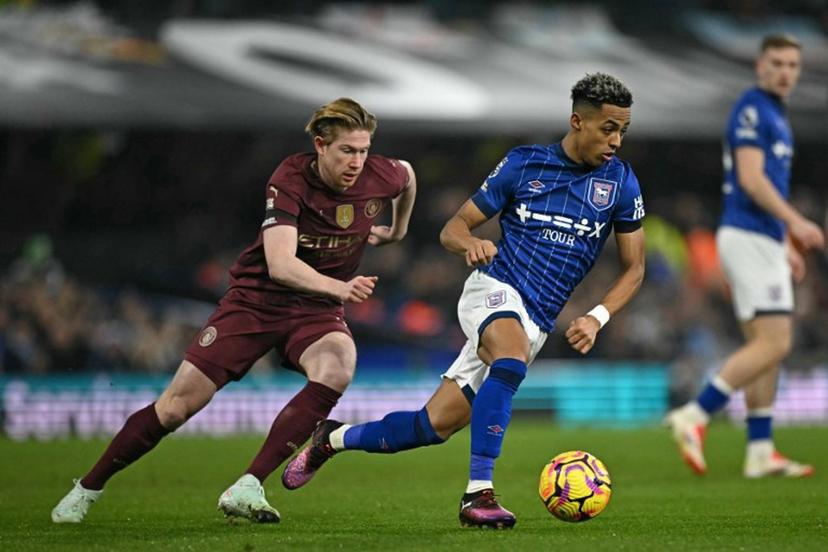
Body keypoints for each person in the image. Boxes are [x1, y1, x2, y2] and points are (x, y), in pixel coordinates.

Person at [281, 73, 646, 529]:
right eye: (608, 128)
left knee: (431, 426)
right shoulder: (524, 164)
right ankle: (479, 495)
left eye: (622, 131)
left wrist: (597, 316)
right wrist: (468, 244)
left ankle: (331, 440)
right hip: (494, 290)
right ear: (577, 121)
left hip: (537, 319)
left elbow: (635, 267)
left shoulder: (620, 183)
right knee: (509, 360)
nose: (616, 140)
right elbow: (452, 227)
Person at [50, 98, 417, 523]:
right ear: (320, 145)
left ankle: (248, 485)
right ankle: (87, 488)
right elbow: (281, 266)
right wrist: (341, 287)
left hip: (315, 307)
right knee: (174, 408)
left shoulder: (380, 173)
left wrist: (397, 231)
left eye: (363, 150)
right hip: (256, 301)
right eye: (346, 151)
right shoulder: (291, 178)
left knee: (337, 365)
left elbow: (407, 175)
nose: (357, 161)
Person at [666, 35, 824, 478]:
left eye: (793, 64)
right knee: (777, 342)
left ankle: (759, 450)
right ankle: (695, 413)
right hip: (748, 235)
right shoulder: (754, 110)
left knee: (765, 349)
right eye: (777, 62)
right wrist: (795, 223)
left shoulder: (776, 113)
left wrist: (783, 245)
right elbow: (753, 181)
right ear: (760, 65)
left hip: (762, 239)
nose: (785, 72)